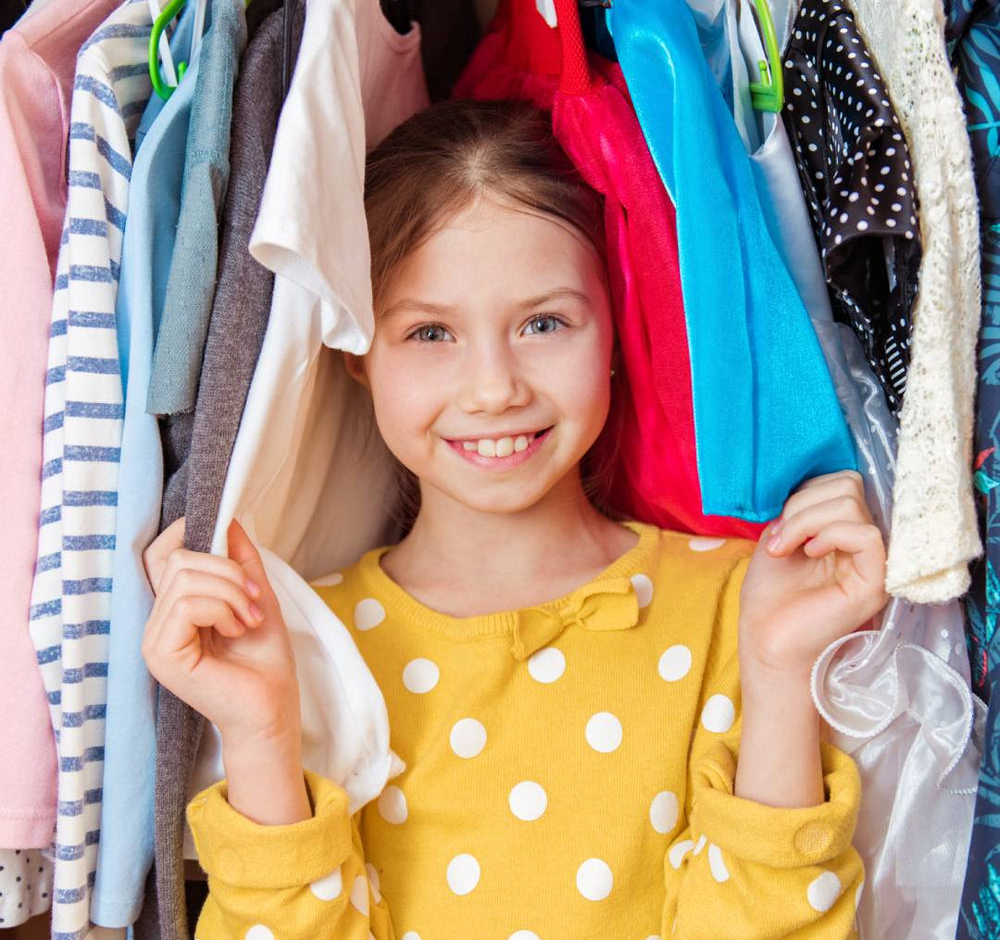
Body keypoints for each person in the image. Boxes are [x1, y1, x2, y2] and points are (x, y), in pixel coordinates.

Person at [142, 100, 883, 939]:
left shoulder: (741, 604)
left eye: (543, 323)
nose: (494, 387)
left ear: (613, 327)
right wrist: (260, 729)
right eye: (430, 333)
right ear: (359, 355)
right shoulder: (306, 638)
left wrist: (782, 672)